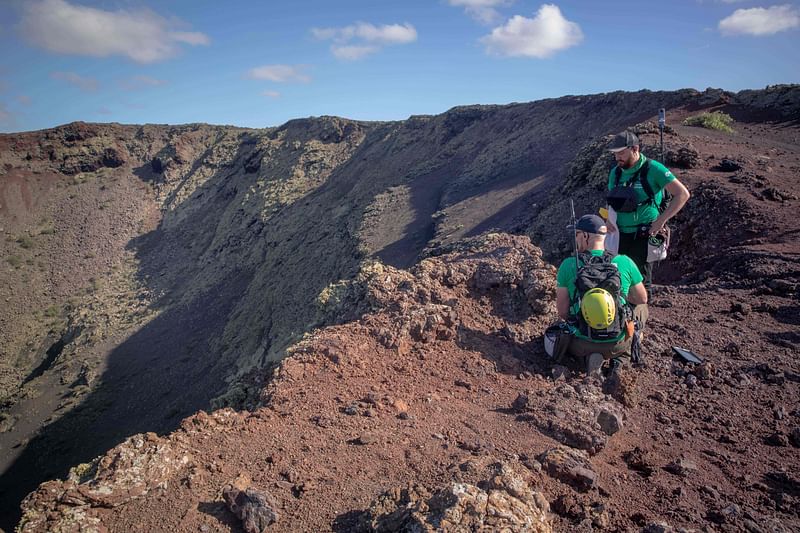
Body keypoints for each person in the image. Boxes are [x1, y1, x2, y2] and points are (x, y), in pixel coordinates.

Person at [553, 214, 648, 372]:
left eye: (577, 234)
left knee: (566, 331)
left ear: (585, 235)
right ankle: (620, 359)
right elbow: (642, 297)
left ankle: (586, 358)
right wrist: (621, 298)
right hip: (618, 341)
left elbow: (563, 311)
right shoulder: (624, 261)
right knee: (641, 307)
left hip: (582, 343)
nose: (576, 240)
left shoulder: (568, 265)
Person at [605, 131, 690, 290]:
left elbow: (682, 194)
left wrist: (660, 221)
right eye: (615, 154)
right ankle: (625, 312)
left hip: (644, 234)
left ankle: (639, 313)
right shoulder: (615, 173)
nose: (618, 158)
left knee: (639, 281)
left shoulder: (653, 169)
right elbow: (612, 200)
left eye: (622, 153)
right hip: (620, 235)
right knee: (619, 278)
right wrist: (609, 219)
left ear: (635, 149)